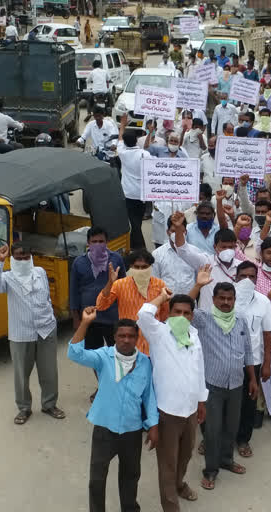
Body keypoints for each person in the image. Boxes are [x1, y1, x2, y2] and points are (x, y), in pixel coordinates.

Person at [67, 308, 159, 512]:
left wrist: (153, 425)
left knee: (130, 475)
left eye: (131, 336)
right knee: (97, 478)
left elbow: (149, 397)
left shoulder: (144, 362)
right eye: (121, 336)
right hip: (104, 428)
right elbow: (74, 353)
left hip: (132, 429)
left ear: (137, 338)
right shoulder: (103, 357)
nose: (126, 340)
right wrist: (85, 323)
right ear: (114, 337)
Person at [136, 287, 206, 510]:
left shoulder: (194, 336)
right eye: (177, 312)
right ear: (168, 313)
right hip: (167, 412)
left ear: (192, 316)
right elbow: (143, 315)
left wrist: (201, 401)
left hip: (191, 409)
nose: (182, 317)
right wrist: (162, 298)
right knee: (167, 462)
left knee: (185, 456)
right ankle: (170, 505)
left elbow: (200, 370)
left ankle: (179, 484)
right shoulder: (159, 333)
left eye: (187, 313)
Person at [189, 281, 257, 491]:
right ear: (214, 299)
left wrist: (252, 379)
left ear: (235, 300)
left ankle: (226, 460)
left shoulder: (240, 321)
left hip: (236, 384)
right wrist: (198, 285)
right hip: (212, 386)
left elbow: (247, 351)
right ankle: (210, 470)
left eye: (230, 299)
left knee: (231, 426)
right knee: (212, 429)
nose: (226, 303)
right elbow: (184, 306)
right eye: (222, 298)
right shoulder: (203, 320)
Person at [0, 244, 64, 425]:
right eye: (19, 257)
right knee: (21, 374)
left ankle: (49, 404)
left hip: (46, 329)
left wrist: (50, 317)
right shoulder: (7, 277)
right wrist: (0, 261)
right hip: (21, 334)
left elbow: (46, 297)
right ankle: (24, 408)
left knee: (49, 371)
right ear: (12, 258)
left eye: (26, 256)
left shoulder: (40, 272)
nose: (23, 260)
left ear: (31, 256)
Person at [227, 262, 271, 456]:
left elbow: (267, 334)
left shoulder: (263, 301)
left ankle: (243, 440)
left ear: (257, 279)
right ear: (235, 277)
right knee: (222, 402)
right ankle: (215, 439)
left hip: (253, 363)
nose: (247, 280)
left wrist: (266, 364)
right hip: (226, 361)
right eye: (243, 276)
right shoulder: (225, 299)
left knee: (248, 403)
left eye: (252, 276)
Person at [69, 227, 126, 398]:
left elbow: (124, 287)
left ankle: (119, 386)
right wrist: (76, 318)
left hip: (112, 316)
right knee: (94, 355)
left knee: (117, 353)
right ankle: (103, 385)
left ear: (107, 242)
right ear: (88, 243)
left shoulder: (116, 259)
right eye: (94, 242)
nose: (98, 245)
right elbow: (74, 292)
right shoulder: (79, 263)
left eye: (101, 241)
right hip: (90, 318)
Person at [96, 249, 170, 355]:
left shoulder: (160, 285)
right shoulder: (120, 285)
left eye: (144, 267)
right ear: (131, 267)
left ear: (150, 267)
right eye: (137, 267)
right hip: (129, 345)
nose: (140, 270)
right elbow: (100, 305)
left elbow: (164, 314)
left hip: (153, 346)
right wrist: (110, 283)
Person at [117, 115, 154, 249]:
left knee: (135, 221)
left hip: (128, 194)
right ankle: (136, 245)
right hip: (142, 194)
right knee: (136, 220)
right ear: (137, 140)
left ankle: (139, 246)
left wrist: (122, 125)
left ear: (126, 143)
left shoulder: (122, 153)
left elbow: (119, 139)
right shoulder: (145, 154)